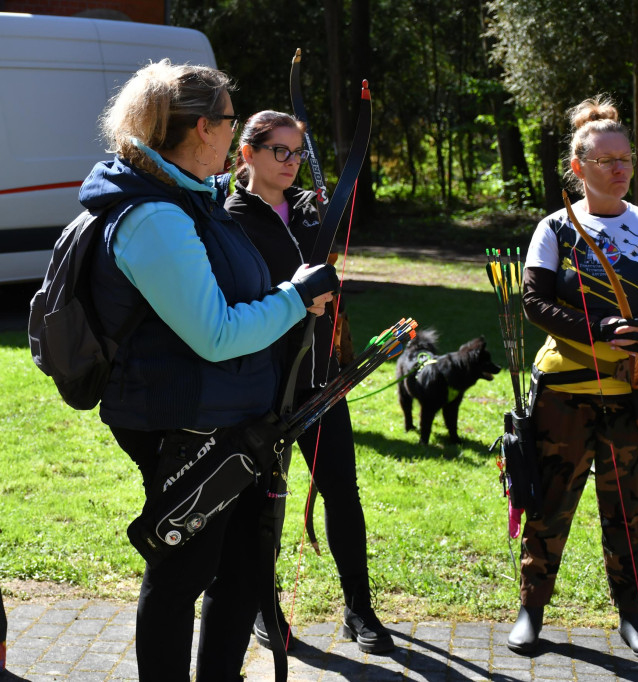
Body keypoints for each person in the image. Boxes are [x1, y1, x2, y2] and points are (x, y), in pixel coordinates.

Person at [80, 60, 338, 681]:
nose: (234, 133)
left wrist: (287, 288)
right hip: (186, 422)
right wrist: (297, 298)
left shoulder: (193, 197)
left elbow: (228, 295)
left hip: (233, 416)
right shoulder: (155, 216)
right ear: (204, 127)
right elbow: (216, 333)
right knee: (182, 574)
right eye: (229, 121)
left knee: (245, 569)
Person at [509, 96, 638, 659]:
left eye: (626, 158)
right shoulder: (556, 227)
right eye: (606, 160)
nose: (620, 168)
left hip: (630, 395)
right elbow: (535, 302)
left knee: (627, 511)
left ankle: (632, 619)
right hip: (563, 392)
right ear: (578, 166)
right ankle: (531, 612)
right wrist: (601, 331)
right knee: (549, 506)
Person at [224, 110, 394, 654]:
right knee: (260, 503)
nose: (292, 162)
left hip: (321, 382)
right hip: (262, 385)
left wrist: (324, 219)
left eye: (298, 153)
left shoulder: (305, 211)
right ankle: (263, 606)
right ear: (247, 153)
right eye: (280, 151)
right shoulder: (229, 219)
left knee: (342, 493)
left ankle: (358, 609)